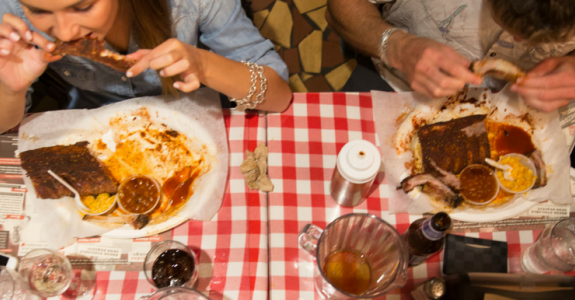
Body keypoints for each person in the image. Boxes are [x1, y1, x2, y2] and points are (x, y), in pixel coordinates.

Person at [0, 0, 292, 133]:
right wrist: (11, 89)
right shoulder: (9, 11)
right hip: (96, 123)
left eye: (83, 6)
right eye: (38, 10)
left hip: (198, 118)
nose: (64, 33)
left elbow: (279, 95)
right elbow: (5, 128)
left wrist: (202, 64)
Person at [326, 0, 575, 112]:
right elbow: (339, 7)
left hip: (521, 108)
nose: (518, 40)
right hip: (395, 80)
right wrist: (398, 48)